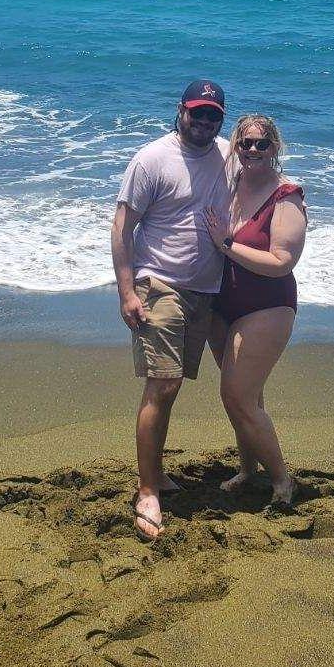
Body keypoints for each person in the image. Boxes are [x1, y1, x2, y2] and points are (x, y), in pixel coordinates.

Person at [112, 79, 232, 540]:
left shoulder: (228, 156)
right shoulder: (151, 159)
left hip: (205, 291)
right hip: (158, 285)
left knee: (173, 386)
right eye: (196, 112)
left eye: (212, 115)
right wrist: (127, 291)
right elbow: (123, 228)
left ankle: (156, 474)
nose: (203, 122)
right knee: (163, 384)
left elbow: (261, 179)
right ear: (180, 111)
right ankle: (148, 491)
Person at [203, 113, 306, 506]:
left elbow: (282, 261)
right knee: (246, 396)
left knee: (237, 395)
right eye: (244, 143)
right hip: (222, 303)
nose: (252, 150)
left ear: (274, 148)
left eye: (261, 143)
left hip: (268, 306)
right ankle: (248, 469)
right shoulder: (229, 184)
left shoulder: (286, 196)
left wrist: (227, 244)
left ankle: (282, 481)